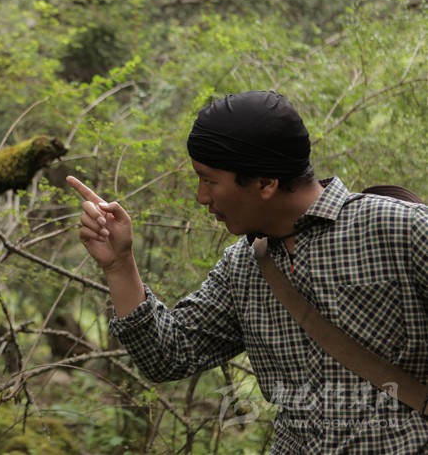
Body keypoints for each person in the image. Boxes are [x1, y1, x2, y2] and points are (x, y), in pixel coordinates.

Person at [67, 90, 428, 453]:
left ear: (266, 182)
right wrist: (119, 265)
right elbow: (168, 355)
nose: (201, 197)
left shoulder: (402, 229)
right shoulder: (242, 267)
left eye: (209, 180)